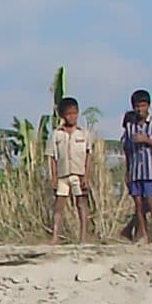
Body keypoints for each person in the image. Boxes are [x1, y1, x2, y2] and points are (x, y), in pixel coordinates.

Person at [121, 91, 152, 250]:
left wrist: (146, 140)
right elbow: (128, 150)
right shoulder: (130, 127)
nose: (140, 109)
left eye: (142, 106)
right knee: (138, 204)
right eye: (137, 106)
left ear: (148, 106)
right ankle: (143, 235)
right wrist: (128, 171)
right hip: (136, 170)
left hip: (150, 169)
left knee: (151, 201)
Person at [49, 97, 96, 243]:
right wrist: (54, 177)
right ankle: (55, 236)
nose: (72, 117)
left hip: (78, 174)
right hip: (63, 175)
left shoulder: (84, 133)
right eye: (68, 114)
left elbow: (88, 156)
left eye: (74, 113)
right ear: (62, 115)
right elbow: (52, 157)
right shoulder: (57, 134)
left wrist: (86, 176)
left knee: (81, 204)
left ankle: (83, 237)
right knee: (59, 206)